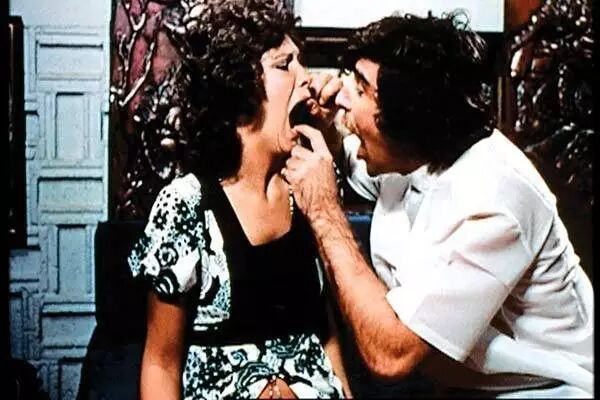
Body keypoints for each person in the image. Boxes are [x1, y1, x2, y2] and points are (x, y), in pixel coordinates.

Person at [284, 11, 594, 398]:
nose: (341, 96)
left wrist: (324, 212)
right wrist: (329, 131)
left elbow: (391, 355)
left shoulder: (494, 201)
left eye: (361, 89)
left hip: (548, 390)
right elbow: (356, 166)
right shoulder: (417, 152)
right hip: (464, 386)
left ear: (406, 121)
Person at [127, 1, 352, 398]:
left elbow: (326, 334)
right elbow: (161, 363)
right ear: (239, 90)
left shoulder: (307, 188)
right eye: (285, 65)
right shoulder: (185, 205)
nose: (307, 78)